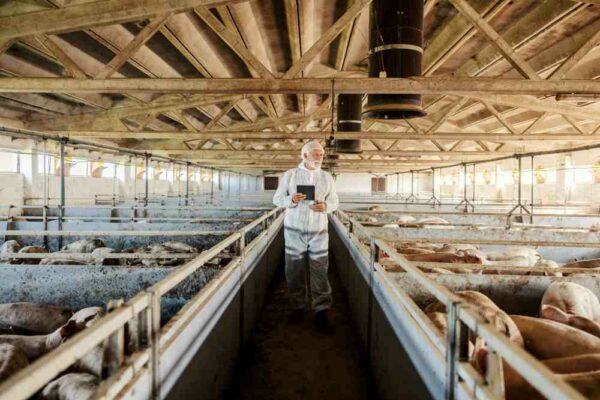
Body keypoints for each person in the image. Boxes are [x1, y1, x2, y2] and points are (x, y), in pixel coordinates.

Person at [273, 140, 339, 334]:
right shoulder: (290, 175)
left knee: (320, 268)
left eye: (321, 154)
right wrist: (291, 199)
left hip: (319, 230)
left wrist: (326, 206)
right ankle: (298, 307)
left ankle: (321, 311)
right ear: (304, 155)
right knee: (294, 268)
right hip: (294, 229)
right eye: (316, 154)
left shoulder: (327, 177)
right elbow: (276, 199)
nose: (320, 157)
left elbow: (335, 201)